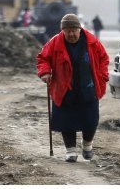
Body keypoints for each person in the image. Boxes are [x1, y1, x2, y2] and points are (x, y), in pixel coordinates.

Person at [36, 13, 109, 162]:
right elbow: (43, 58)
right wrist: (44, 72)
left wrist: (102, 76)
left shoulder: (92, 42)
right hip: (64, 89)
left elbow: (103, 59)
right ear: (62, 30)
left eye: (73, 30)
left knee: (90, 120)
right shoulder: (55, 42)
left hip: (88, 87)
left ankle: (87, 145)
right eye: (67, 31)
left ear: (79, 29)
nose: (71, 34)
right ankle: (70, 151)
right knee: (66, 120)